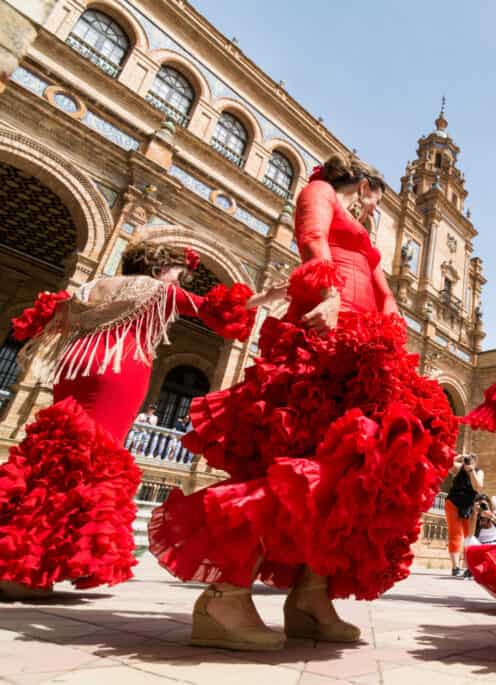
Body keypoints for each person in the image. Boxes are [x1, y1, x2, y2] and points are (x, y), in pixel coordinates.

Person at [148, 153, 458, 652]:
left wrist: (392, 331)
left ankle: (309, 598)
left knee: (348, 466)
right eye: (375, 195)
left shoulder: (362, 228)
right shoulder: (320, 193)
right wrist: (327, 294)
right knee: (296, 460)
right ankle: (225, 596)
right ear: (365, 184)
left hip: (366, 343)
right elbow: (313, 241)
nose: (375, 206)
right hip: (325, 328)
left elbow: (379, 283)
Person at [0, 241, 272, 599]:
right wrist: (267, 297)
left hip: (77, 366)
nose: (180, 282)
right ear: (162, 269)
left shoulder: (94, 286)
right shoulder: (157, 289)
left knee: (55, 453)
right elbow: (216, 308)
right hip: (119, 367)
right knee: (91, 461)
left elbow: (50, 316)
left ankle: (17, 556)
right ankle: (28, 570)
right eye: (179, 275)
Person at [444, 453, 485, 577]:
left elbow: (478, 487)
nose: (468, 463)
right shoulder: (458, 467)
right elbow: (445, 463)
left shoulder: (478, 472)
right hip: (453, 503)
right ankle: (455, 567)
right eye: (467, 461)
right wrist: (459, 457)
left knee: (469, 536)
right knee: (454, 534)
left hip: (469, 506)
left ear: (475, 463)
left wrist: (471, 470)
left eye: (470, 461)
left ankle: (468, 567)